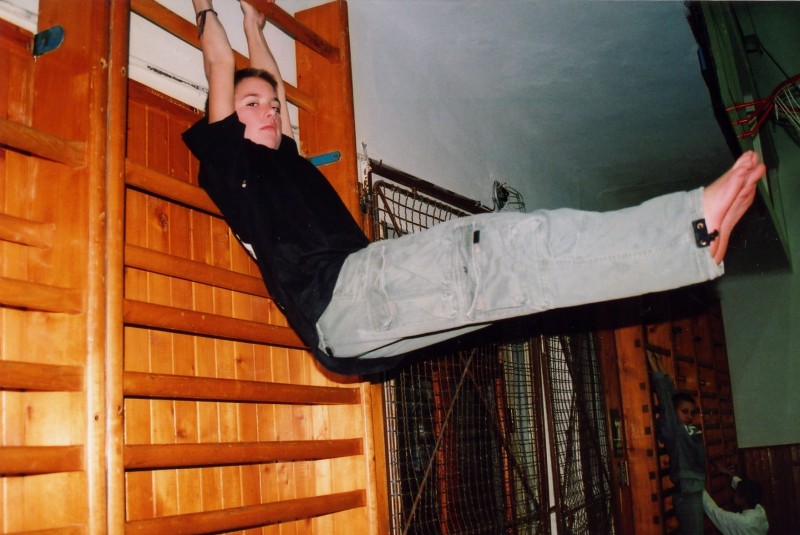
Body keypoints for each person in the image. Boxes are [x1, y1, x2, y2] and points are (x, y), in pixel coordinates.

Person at [183, 0, 767, 376]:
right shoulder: (232, 165)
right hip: (345, 299)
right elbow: (219, 66)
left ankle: (684, 245)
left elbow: (271, 84)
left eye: (274, 105)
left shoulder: (285, 156)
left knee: (508, 279)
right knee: (499, 251)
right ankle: (687, 234)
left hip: (357, 323)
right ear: (228, 118)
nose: (269, 110)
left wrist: (255, 26)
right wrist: (208, 8)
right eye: (252, 105)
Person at [647, 352, 706, 535]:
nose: (689, 416)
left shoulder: (688, 429)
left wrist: (660, 369)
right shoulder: (678, 429)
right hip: (688, 491)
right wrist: (655, 366)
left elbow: (671, 398)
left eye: (692, 412)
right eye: (685, 412)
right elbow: (668, 400)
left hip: (692, 491)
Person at [703, 465, 769, 535]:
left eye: (736, 492)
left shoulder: (743, 522)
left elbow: (714, 512)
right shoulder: (760, 510)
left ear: (743, 499)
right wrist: (729, 473)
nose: (733, 494)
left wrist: (699, 487)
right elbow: (746, 488)